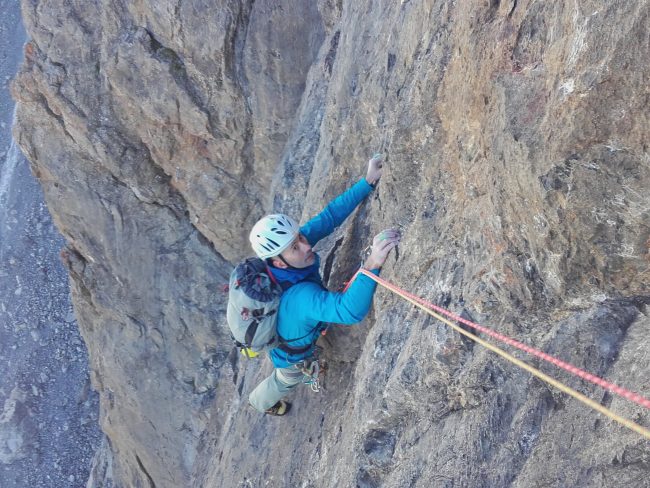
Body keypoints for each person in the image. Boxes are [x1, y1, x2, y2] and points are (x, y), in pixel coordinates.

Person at [247, 154, 401, 416]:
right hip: (290, 356)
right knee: (285, 379)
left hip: (290, 326)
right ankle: (259, 402)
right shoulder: (300, 298)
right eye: (296, 246)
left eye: (300, 238)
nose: (306, 246)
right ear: (280, 263)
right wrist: (373, 261)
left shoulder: (290, 253)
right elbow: (349, 311)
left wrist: (367, 182)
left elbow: (329, 218)